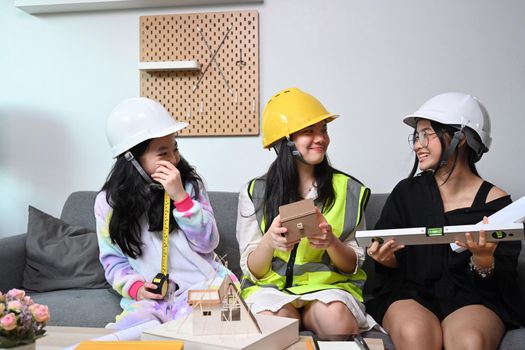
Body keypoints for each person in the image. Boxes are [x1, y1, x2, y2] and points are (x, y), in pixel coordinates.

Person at [366, 92, 525, 349]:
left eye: (426, 134)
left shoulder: (497, 204)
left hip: (473, 299)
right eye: (416, 136)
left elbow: (504, 280)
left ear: (460, 138)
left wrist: (484, 262)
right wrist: (387, 259)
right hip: (412, 295)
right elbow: (390, 266)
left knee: (469, 341)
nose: (417, 144)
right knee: (415, 334)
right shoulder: (406, 193)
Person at [236, 87, 377, 337]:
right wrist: (269, 241)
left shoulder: (349, 190)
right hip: (272, 292)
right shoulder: (255, 191)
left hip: (329, 291)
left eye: (323, 129)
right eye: (309, 131)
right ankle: (291, 318)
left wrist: (331, 242)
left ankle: (308, 318)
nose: (321, 138)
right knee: (270, 325)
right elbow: (254, 270)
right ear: (285, 141)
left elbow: (352, 265)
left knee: (338, 323)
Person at [95, 97, 236, 329]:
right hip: (154, 300)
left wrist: (181, 199)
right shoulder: (108, 203)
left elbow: (208, 242)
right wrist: (136, 288)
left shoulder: (189, 185)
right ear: (132, 158)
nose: (174, 159)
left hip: (202, 286)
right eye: (163, 153)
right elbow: (114, 261)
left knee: (200, 331)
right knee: (131, 332)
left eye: (175, 148)